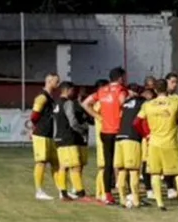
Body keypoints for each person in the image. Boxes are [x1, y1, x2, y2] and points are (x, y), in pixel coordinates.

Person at [134, 78, 178, 210]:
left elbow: (136, 122)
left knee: (154, 173)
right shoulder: (175, 102)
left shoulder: (148, 105)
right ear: (167, 88)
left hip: (154, 143)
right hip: (170, 142)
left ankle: (160, 203)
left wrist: (145, 134)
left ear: (155, 89)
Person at [81, 68, 127, 206]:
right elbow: (122, 103)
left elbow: (85, 103)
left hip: (105, 130)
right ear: (120, 78)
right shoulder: (121, 90)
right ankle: (125, 194)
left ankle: (107, 194)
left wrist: (98, 116)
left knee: (108, 163)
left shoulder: (101, 91)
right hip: (118, 130)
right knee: (121, 163)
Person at [53, 82, 90, 198]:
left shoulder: (56, 103)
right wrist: (82, 129)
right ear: (67, 90)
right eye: (72, 90)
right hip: (68, 138)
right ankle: (80, 191)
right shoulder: (68, 103)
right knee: (76, 166)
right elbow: (72, 121)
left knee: (63, 166)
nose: (73, 93)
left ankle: (63, 191)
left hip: (58, 137)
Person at [29, 73, 61, 200]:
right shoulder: (42, 97)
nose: (58, 84)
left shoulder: (50, 98)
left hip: (48, 134)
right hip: (41, 134)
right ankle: (39, 191)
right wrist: (34, 129)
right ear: (49, 81)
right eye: (56, 81)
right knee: (41, 162)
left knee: (56, 162)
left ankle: (61, 190)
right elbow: (34, 116)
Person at [114, 84, 146, 207]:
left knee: (122, 169)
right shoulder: (142, 102)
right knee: (133, 170)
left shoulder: (125, 103)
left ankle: (122, 199)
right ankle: (136, 199)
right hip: (132, 137)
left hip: (119, 137)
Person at [163, 72, 178, 198]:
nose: (175, 84)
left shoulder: (177, 99)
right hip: (160, 135)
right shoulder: (159, 98)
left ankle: (171, 187)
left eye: (176, 82)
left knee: (173, 162)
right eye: (172, 82)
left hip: (174, 134)